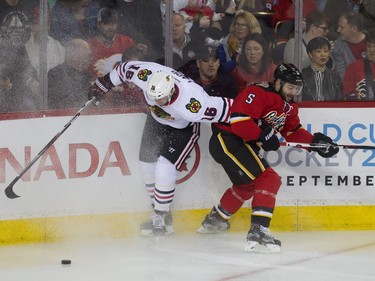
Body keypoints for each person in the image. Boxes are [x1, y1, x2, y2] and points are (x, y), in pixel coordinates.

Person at [197, 63, 339, 253]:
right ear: (278, 83)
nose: (293, 92)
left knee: (246, 187)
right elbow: (239, 121)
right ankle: (259, 229)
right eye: (290, 87)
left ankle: (215, 220)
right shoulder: (258, 92)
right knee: (269, 178)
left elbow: (293, 132)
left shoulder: (289, 108)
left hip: (241, 145)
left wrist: (316, 143)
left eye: (297, 88)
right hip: (228, 140)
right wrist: (262, 135)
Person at [88, 60, 233, 236]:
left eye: (161, 98)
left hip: (183, 127)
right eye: (154, 97)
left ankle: (160, 215)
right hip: (157, 119)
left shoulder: (193, 104)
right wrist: (103, 85)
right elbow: (123, 69)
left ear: (171, 91)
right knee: (146, 162)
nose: (157, 100)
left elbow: (230, 109)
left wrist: (258, 117)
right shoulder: (145, 75)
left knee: (165, 166)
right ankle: (161, 212)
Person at [88, 8, 139, 78]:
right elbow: (87, 74)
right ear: (98, 25)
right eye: (106, 23)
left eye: (113, 23)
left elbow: (136, 67)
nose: (110, 27)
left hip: (125, 86)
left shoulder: (127, 42)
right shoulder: (89, 46)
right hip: (99, 86)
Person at [48, 39, 93, 109]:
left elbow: (96, 102)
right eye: (87, 55)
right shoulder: (55, 74)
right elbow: (60, 102)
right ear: (74, 55)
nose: (91, 59)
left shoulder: (88, 76)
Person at [332, 11, 367, 80]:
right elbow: (342, 76)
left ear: (354, 28)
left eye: (342, 27)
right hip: (352, 88)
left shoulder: (372, 40)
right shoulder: (338, 46)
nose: (338, 30)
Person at [343, 28, 375, 100]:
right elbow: (347, 93)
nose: (372, 50)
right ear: (365, 47)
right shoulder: (353, 67)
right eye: (369, 46)